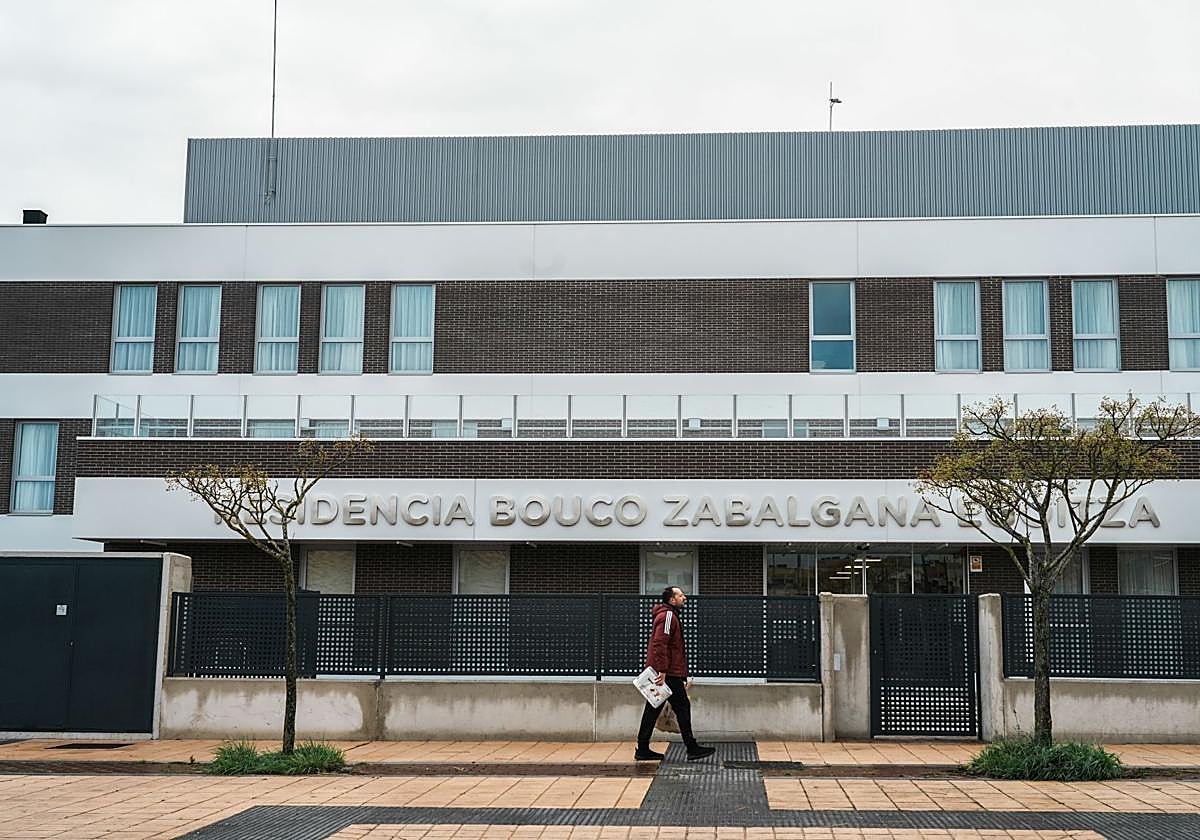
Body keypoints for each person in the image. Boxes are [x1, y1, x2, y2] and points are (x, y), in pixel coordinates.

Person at [635, 585, 716, 762]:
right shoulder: (668, 616)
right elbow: (660, 643)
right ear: (672, 599)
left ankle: (642, 748)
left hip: (668, 671)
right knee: (682, 707)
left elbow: (671, 647)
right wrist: (663, 670)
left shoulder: (669, 615)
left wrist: (681, 673)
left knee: (653, 708)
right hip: (666, 673)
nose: (684, 598)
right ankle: (691, 747)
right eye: (680, 595)